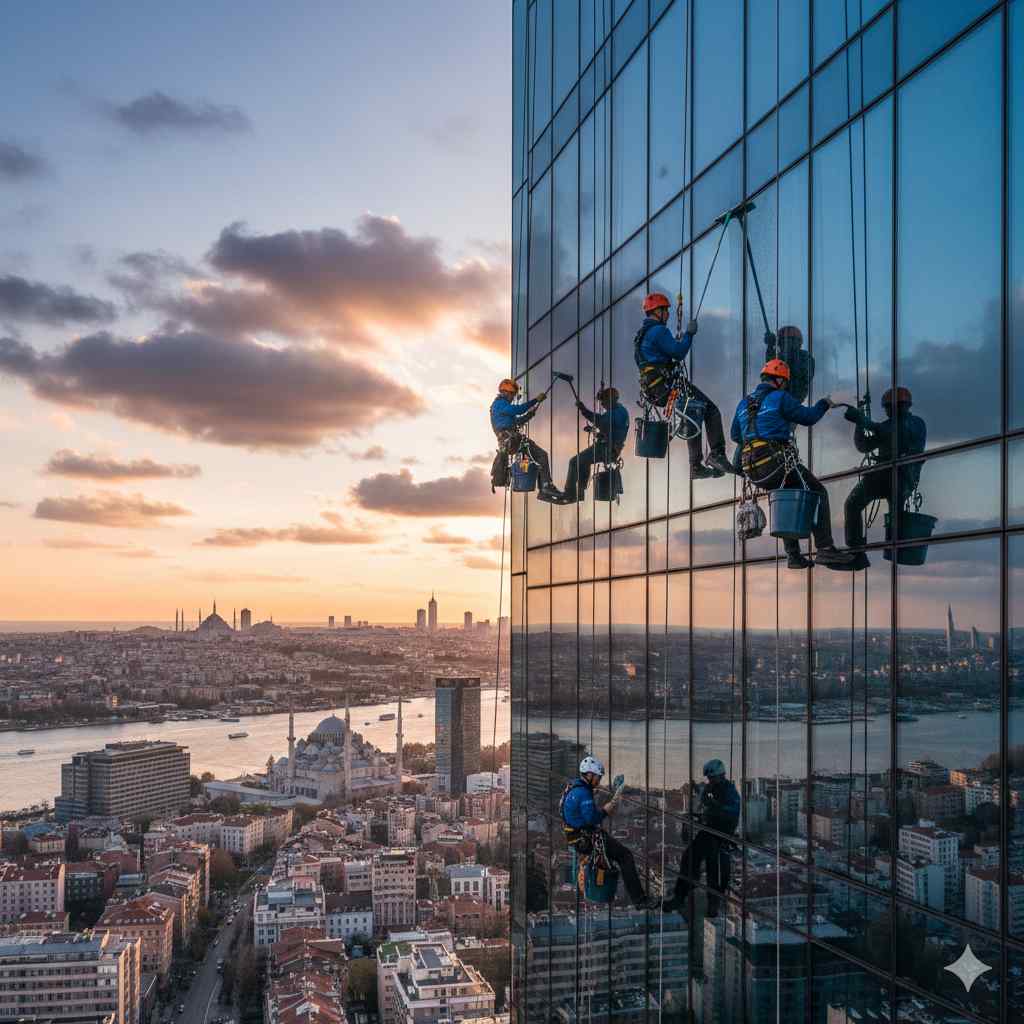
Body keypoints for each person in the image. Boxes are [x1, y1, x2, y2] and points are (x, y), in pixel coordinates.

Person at [731, 359, 856, 569]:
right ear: (779, 380)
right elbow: (809, 417)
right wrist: (826, 402)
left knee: (786, 493)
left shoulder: (744, 403)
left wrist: (758, 431)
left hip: (752, 468)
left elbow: (736, 435)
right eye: (785, 382)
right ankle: (825, 549)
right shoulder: (780, 398)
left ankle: (793, 556)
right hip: (774, 462)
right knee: (817, 492)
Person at [634, 291, 733, 478]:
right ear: (657, 311)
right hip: (667, 385)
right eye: (665, 311)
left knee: (693, 413)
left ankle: (696, 466)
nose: (668, 314)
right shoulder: (658, 331)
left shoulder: (642, 336)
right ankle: (717, 454)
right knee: (710, 409)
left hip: (655, 389)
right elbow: (678, 352)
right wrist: (689, 333)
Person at [843, 386, 928, 566]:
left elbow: (896, 433)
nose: (887, 411)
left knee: (891, 512)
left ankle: (892, 548)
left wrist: (865, 421)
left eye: (889, 407)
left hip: (900, 476)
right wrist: (860, 423)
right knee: (852, 505)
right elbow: (863, 446)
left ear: (901, 406)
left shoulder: (915, 423)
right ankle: (858, 553)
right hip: (885, 475)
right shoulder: (886, 426)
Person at [560, 756, 655, 911]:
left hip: (576, 837)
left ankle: (635, 898)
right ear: (589, 775)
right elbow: (592, 818)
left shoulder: (572, 787)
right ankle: (639, 900)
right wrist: (606, 811)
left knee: (614, 858)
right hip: (587, 837)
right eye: (597, 777)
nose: (599, 781)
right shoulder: (584, 793)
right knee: (625, 856)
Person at [662, 759, 740, 918]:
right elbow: (706, 809)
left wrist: (712, 806)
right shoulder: (712, 788)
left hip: (721, 834)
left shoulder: (729, 791)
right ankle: (681, 895)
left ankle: (711, 903)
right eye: (709, 778)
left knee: (714, 868)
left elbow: (730, 812)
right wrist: (697, 812)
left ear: (720, 775)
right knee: (689, 858)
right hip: (709, 831)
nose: (710, 781)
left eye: (712, 778)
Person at [489, 378, 562, 502]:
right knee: (541, 455)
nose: (513, 398)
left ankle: (544, 488)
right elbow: (518, 410)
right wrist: (535, 400)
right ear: (506, 392)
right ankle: (546, 487)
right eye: (512, 394)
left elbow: (516, 421)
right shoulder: (499, 404)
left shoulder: (501, 408)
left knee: (539, 457)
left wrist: (530, 415)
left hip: (510, 441)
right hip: (512, 440)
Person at [561, 386, 630, 501]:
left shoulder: (614, 414)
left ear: (610, 400)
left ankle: (570, 494)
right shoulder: (622, 411)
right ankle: (580, 492)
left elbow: (599, 420)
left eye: (603, 402)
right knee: (584, 462)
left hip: (605, 449)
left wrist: (583, 410)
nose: (602, 405)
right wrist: (595, 431)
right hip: (611, 448)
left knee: (574, 462)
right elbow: (611, 431)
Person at [765, 324, 814, 405]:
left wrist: (771, 347)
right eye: (781, 343)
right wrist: (770, 347)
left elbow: (786, 370)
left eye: (783, 342)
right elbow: (772, 371)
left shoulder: (804, 357)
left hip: (792, 399)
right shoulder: (804, 358)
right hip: (784, 401)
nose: (782, 346)